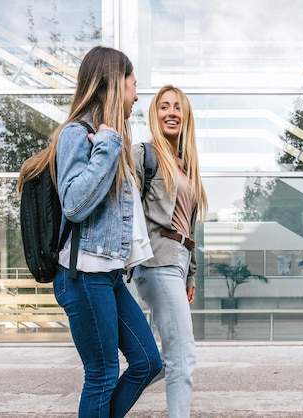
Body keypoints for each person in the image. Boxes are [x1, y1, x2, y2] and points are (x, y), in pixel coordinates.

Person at [18, 46, 162, 418]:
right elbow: (76, 204)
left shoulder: (112, 140)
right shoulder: (76, 135)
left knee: (148, 362)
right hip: (82, 277)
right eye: (133, 86)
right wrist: (108, 146)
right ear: (115, 84)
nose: (136, 96)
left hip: (109, 276)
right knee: (101, 375)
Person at [131, 85, 208, 418]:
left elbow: (189, 227)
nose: (171, 112)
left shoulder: (187, 165)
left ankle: (113, 398)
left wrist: (191, 274)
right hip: (156, 261)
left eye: (177, 107)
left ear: (186, 115)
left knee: (165, 359)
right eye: (164, 106)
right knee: (183, 357)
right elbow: (124, 210)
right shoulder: (142, 155)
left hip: (177, 264)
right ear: (154, 114)